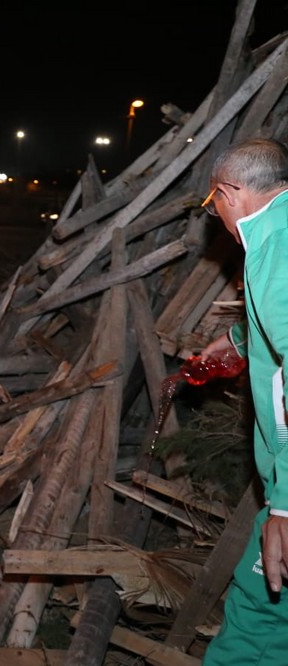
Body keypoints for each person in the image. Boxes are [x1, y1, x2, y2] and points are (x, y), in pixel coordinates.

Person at [197, 138, 288, 664]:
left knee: (257, 626)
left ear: (230, 192)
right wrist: (240, 342)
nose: (216, 217)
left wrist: (285, 502)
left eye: (213, 204)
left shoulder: (274, 248)